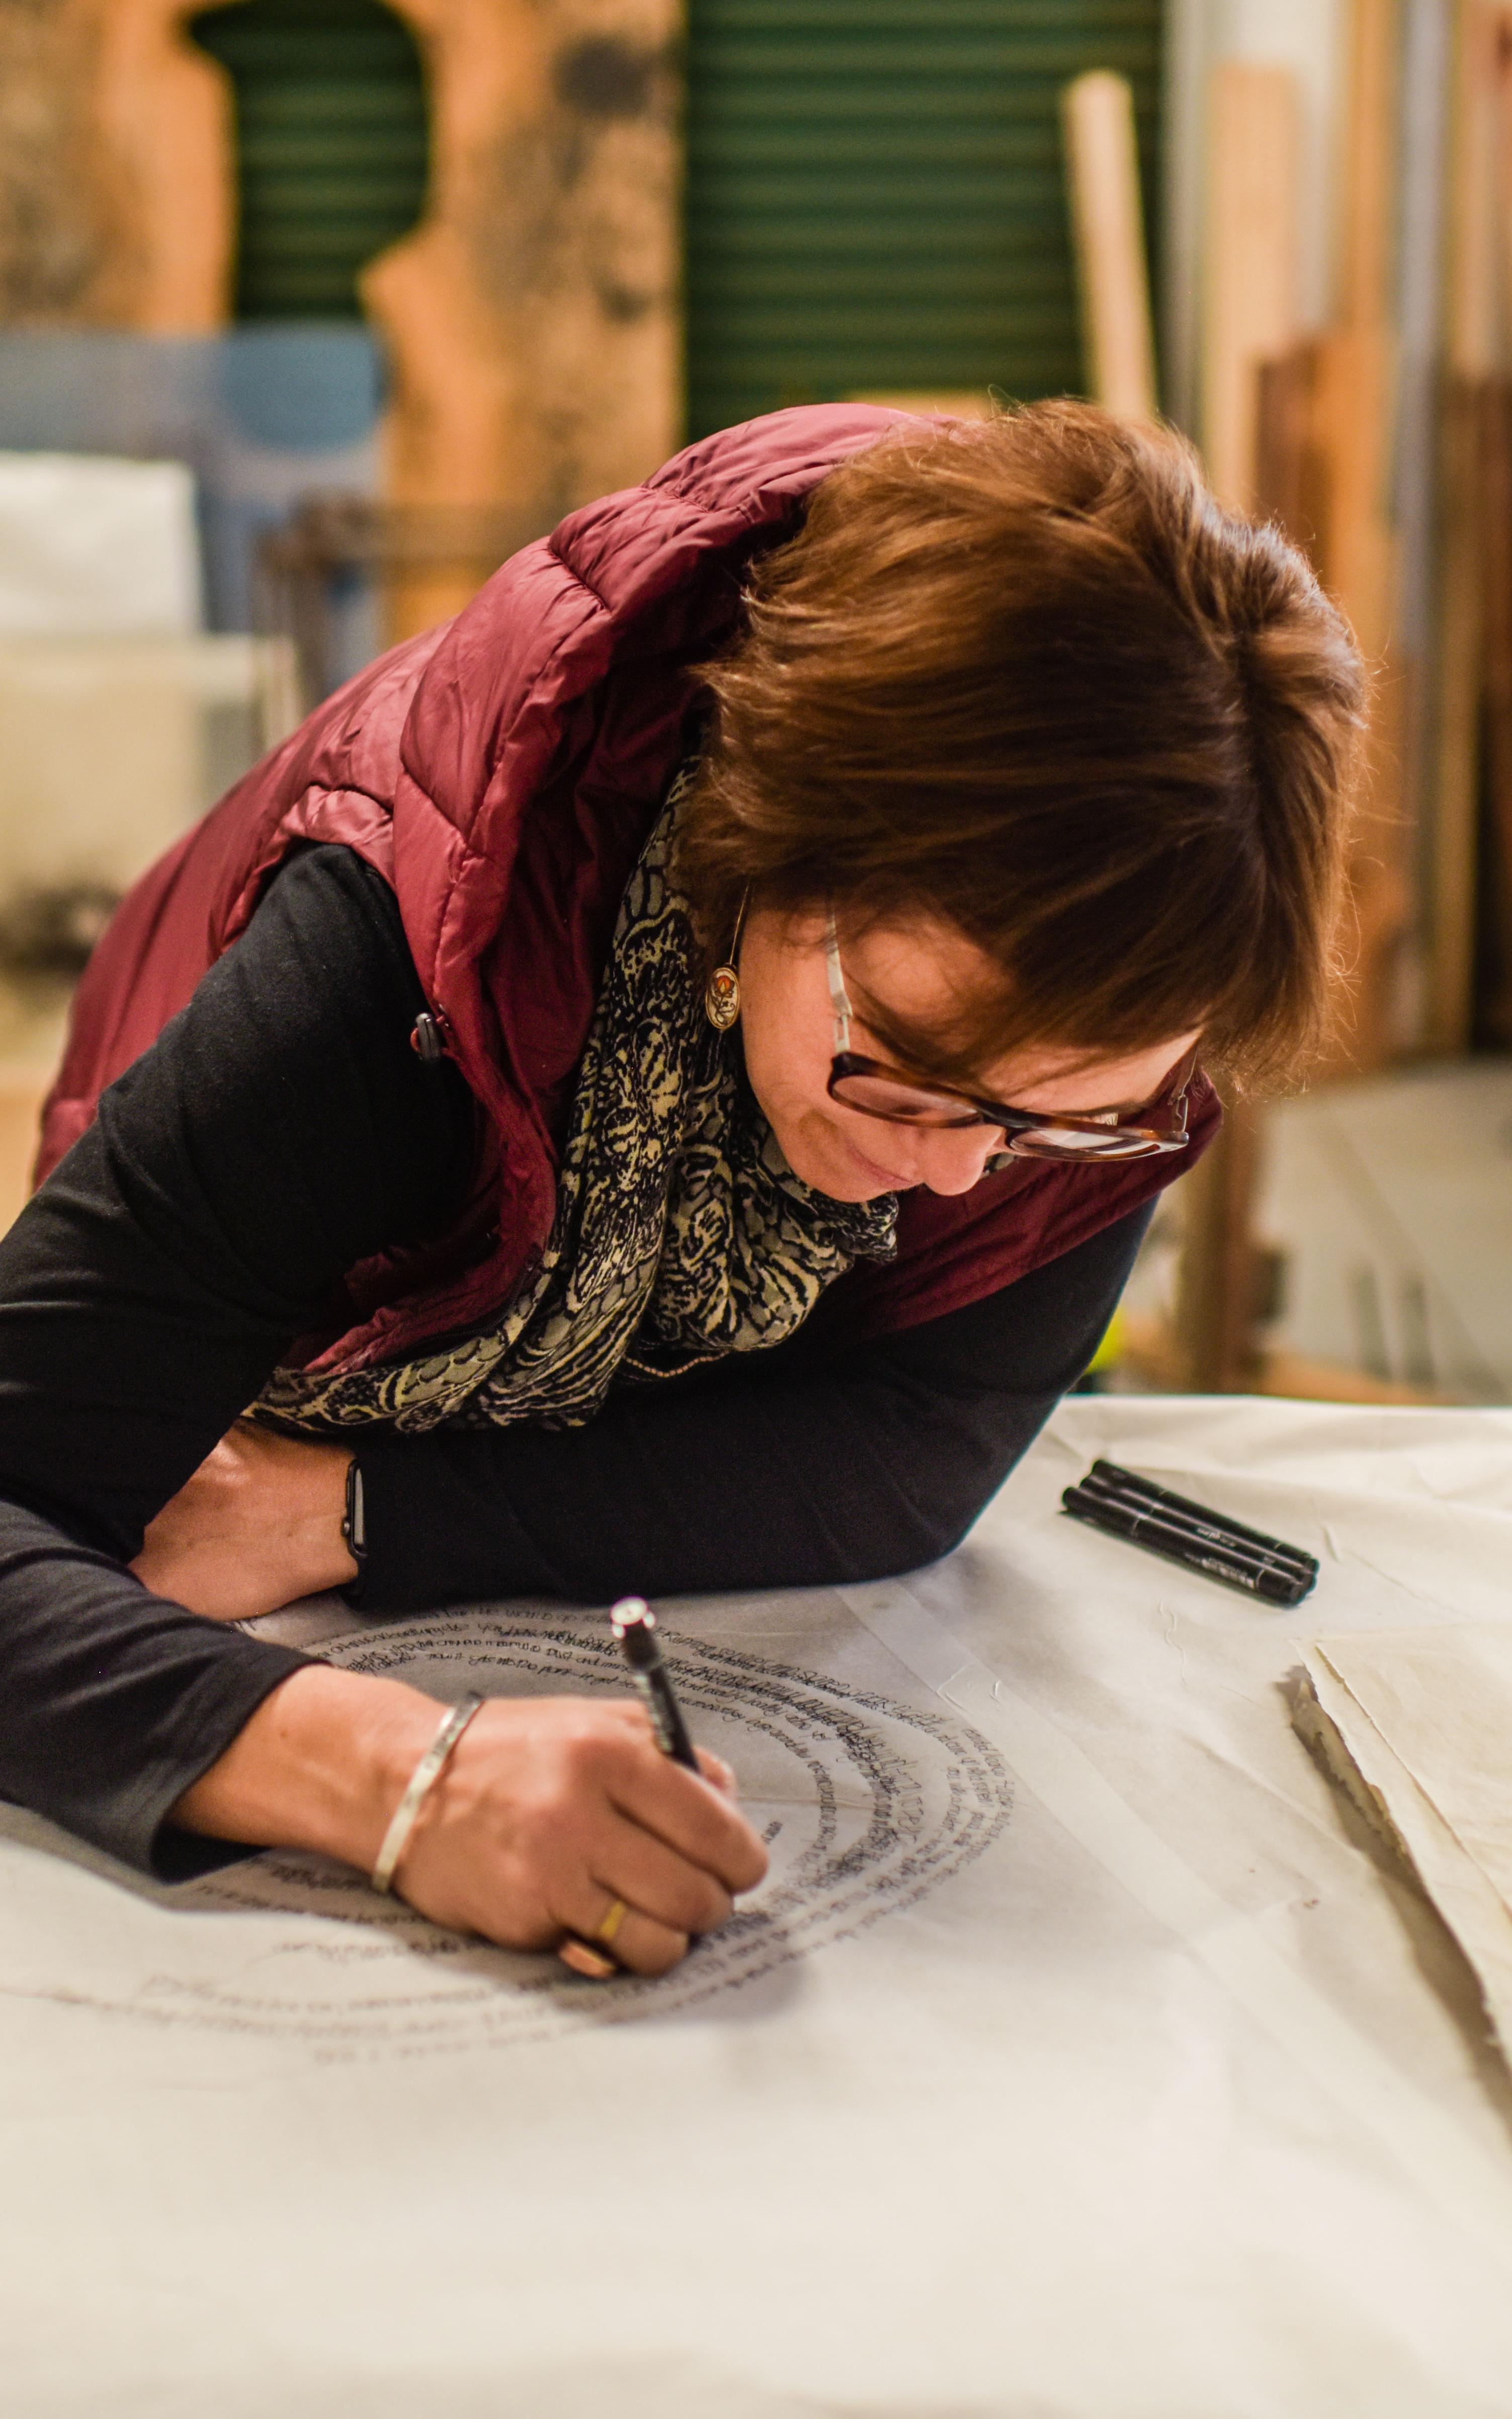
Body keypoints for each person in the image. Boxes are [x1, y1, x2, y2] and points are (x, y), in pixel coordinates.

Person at [0, 401, 1362, 1979]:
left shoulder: (1085, 1051)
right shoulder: (388, 977)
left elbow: (926, 1443)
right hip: (263, 1255)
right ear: (759, 841)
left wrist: (354, 1510)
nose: (961, 1167)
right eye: (905, 1062)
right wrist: (399, 1779)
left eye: (1071, 1118)